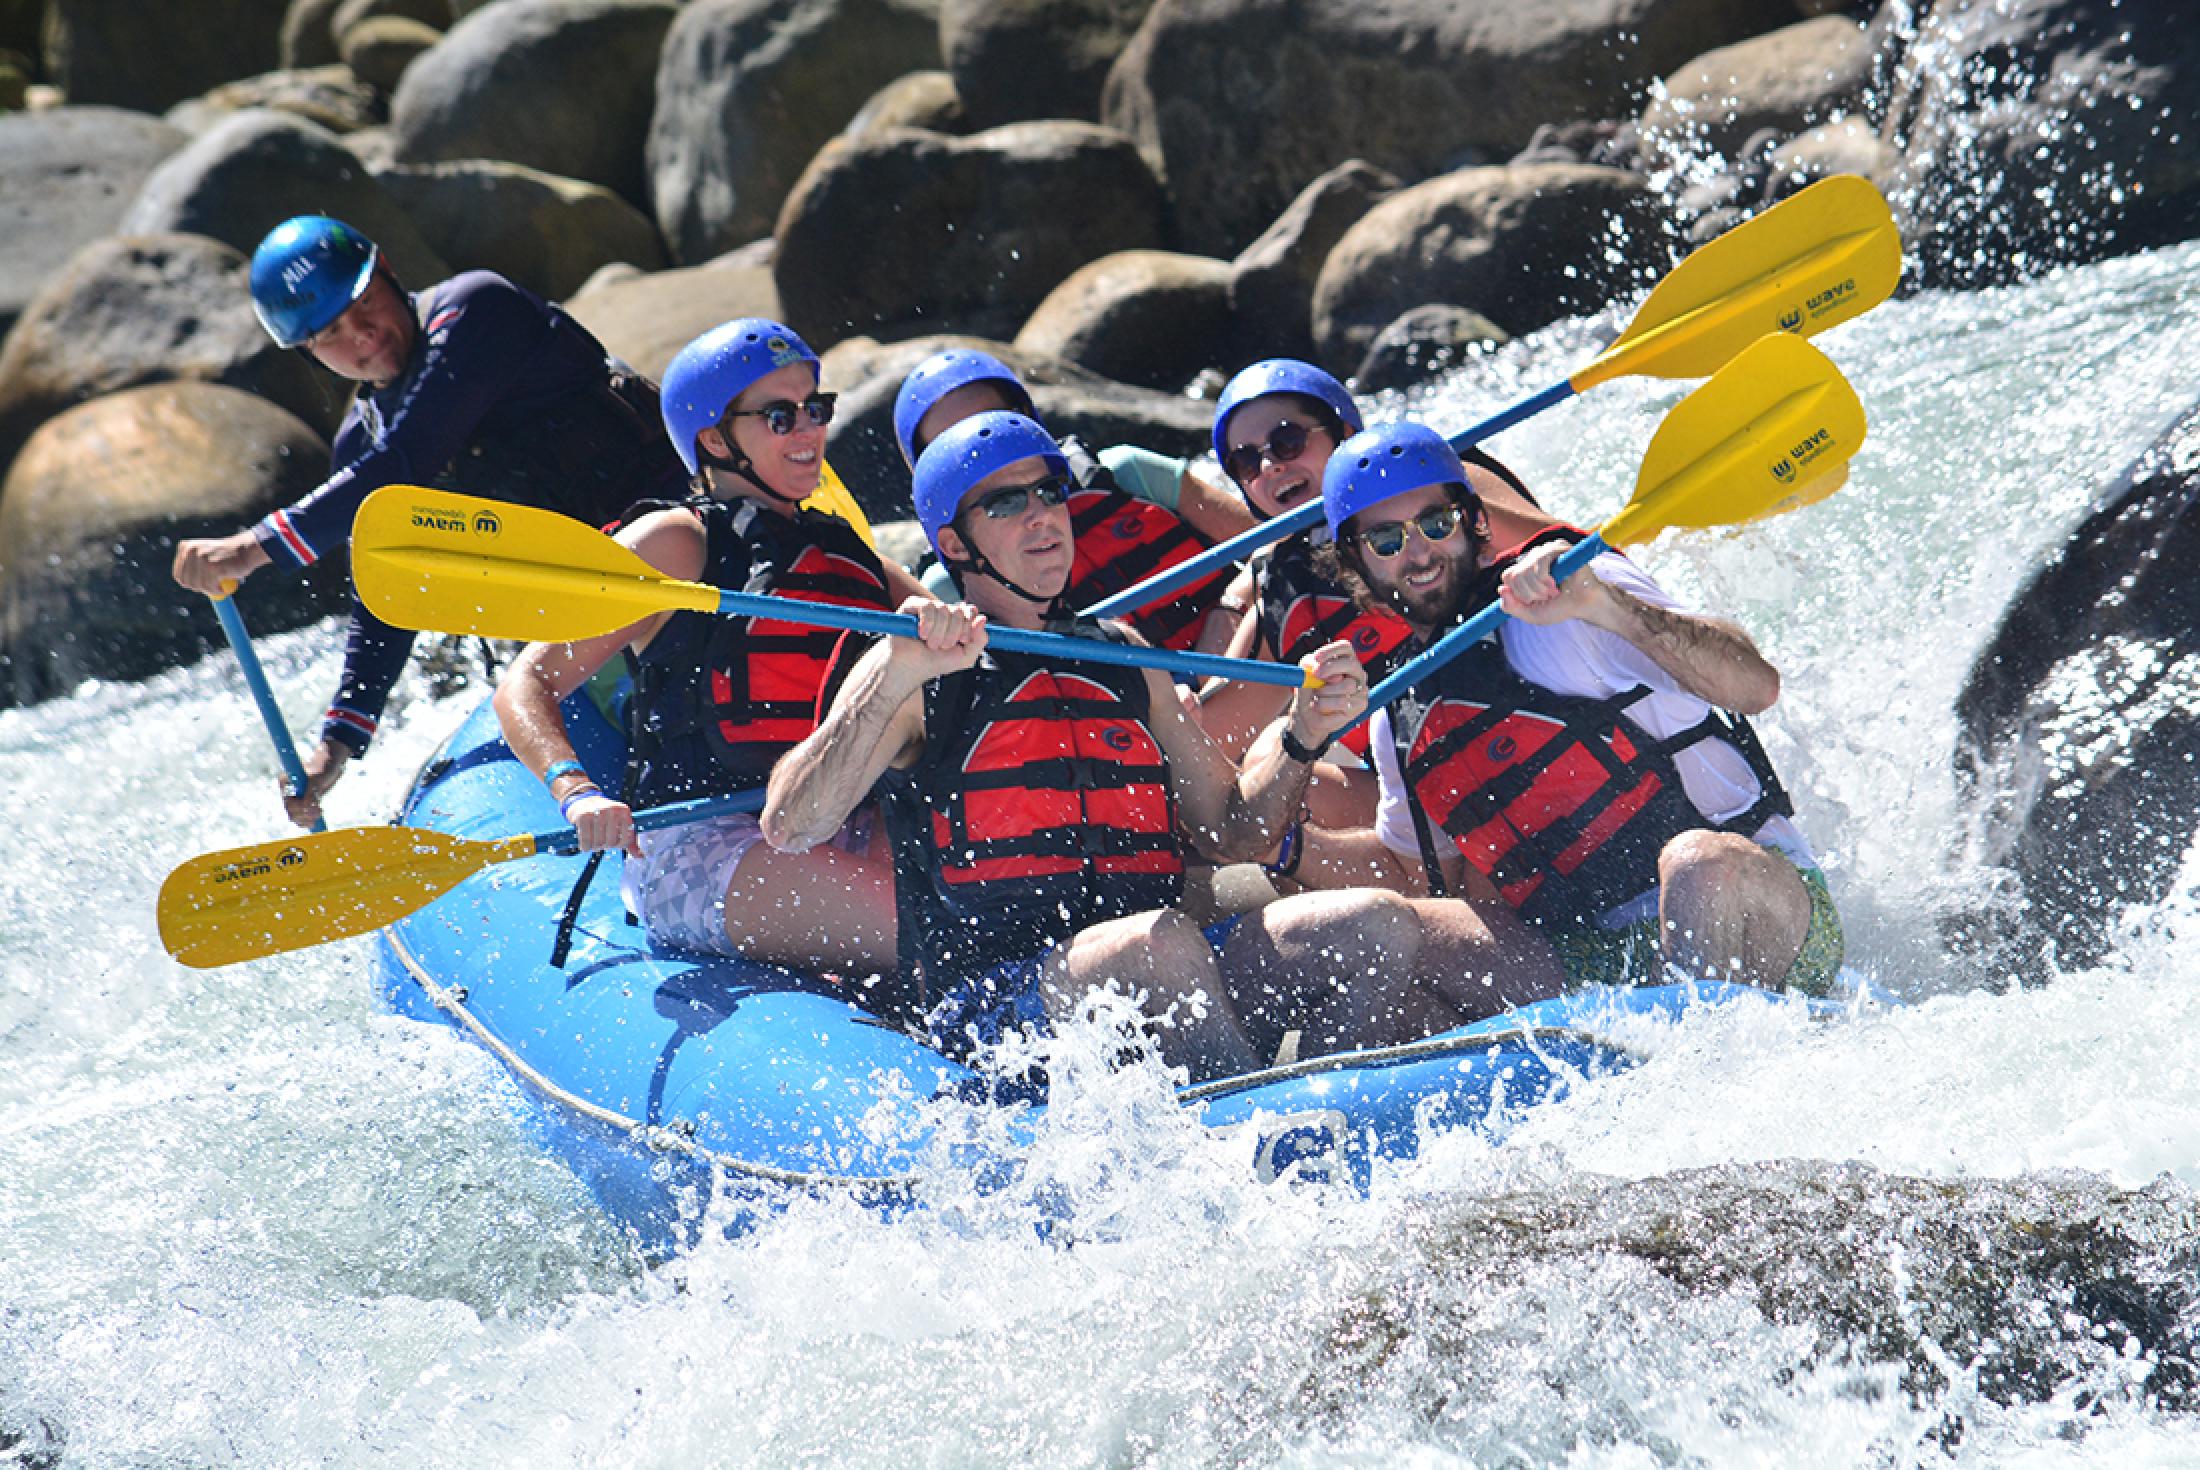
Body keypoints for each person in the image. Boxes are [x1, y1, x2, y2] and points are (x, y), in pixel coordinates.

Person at [764, 411, 1564, 1082]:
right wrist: (895, 670)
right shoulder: (912, 668)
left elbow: (1232, 834)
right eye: (1006, 505)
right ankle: (1242, 1142)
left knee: (1375, 921)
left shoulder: (1124, 655)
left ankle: (1330, 1114)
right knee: (1161, 945)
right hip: (997, 1003)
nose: (1043, 516)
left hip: (1169, 958)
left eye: (1049, 494)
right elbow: (791, 824)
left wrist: (1302, 734)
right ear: (954, 542)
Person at [170, 215, 687, 826]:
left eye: (365, 303)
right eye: (332, 331)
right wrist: (336, 744)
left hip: (683, 568)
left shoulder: (478, 310)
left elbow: (410, 454)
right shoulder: (360, 450)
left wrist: (257, 545)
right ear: (309, 351)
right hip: (581, 634)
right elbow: (390, 599)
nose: (361, 334)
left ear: (388, 272)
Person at [1316, 421, 1844, 995]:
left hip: (1757, 906)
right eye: (1387, 541)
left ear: (1472, 519)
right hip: (1597, 955)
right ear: (1356, 561)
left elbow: (1755, 686)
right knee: (1398, 933)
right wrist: (1289, 802)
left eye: (1436, 523)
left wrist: (1606, 605)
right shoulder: (1396, 716)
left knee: (1695, 864)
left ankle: (1713, 1059)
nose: (1418, 552)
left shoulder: (1570, 593)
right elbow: (1431, 883)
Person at [494, 319, 928, 988]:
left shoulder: (846, 553)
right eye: (780, 416)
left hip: (834, 816)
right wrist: (575, 792)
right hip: (700, 843)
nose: (810, 431)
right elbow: (528, 682)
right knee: (930, 927)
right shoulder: (676, 544)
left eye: (816, 409)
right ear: (715, 440)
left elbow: (952, 636)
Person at [1195, 361, 1557, 774]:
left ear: (1344, 432)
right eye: (1245, 463)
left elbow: (1582, 552)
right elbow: (1217, 736)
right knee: (1265, 764)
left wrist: (1426, 501)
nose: (1269, 466)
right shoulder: (1282, 586)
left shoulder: (1435, 478)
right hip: (1432, 780)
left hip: (1545, 706)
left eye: (1288, 440)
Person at [892, 349, 1255, 654]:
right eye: (953, 440)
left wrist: (1231, 609)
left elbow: (1271, 543)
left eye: (995, 419)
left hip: (1248, 658)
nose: (983, 442)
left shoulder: (1128, 472)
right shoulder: (947, 585)